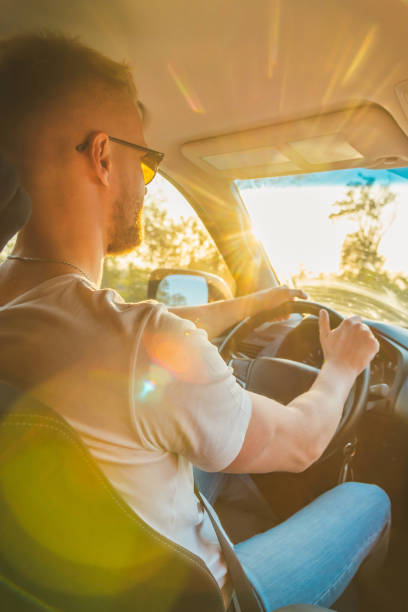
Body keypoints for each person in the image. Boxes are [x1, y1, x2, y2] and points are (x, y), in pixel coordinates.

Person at [0, 32, 390, 611]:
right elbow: (302, 442)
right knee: (369, 498)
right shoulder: (137, 339)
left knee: (217, 462)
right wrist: (340, 368)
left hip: (70, 576)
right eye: (147, 160)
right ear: (104, 157)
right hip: (203, 597)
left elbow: (136, 333)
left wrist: (254, 305)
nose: (146, 180)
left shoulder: (37, 311)